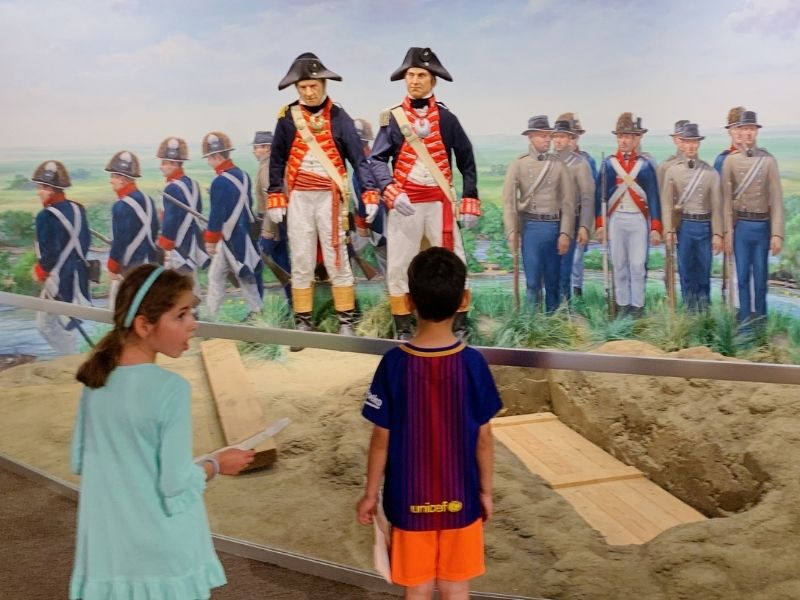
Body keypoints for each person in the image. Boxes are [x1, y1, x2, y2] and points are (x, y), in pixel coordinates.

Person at [70, 264, 255, 599]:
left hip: (107, 549)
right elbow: (174, 484)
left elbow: (83, 461)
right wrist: (216, 464)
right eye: (181, 315)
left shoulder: (94, 382)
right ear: (144, 325)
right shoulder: (170, 389)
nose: (193, 325)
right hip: (160, 550)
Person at [356, 247, 502, 600]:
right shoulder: (473, 365)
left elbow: (380, 437)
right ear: (464, 299)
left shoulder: (393, 365)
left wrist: (370, 493)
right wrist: (484, 491)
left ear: (408, 301)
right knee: (456, 587)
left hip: (409, 500)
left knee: (417, 587)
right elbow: (484, 437)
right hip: (461, 499)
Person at [370, 47, 480, 340]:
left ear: (433, 81)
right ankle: (404, 324)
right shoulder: (392, 118)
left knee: (454, 259)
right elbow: (377, 159)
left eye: (421, 75)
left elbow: (466, 159)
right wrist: (390, 189)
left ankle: (459, 320)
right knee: (399, 262)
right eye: (411, 75)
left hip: (439, 203)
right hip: (405, 203)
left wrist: (470, 197)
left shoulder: (447, 119)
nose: (415, 80)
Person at [267, 52, 380, 335]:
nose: (309, 92)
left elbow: (359, 159)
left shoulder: (340, 118)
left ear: (324, 85)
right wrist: (275, 194)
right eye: (303, 88)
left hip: (331, 198)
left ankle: (346, 320)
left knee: (337, 257)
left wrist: (369, 191)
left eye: (313, 86)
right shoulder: (287, 119)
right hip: (299, 199)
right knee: (302, 258)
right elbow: (277, 160)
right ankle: (303, 320)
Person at [502, 115, 574, 312]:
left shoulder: (558, 164)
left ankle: (552, 326)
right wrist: (512, 232)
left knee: (553, 282)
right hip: (530, 228)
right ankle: (531, 327)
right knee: (533, 283)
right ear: (531, 137)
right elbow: (509, 203)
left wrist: (565, 233)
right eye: (542, 135)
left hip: (553, 227)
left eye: (548, 135)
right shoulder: (519, 164)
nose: (547, 139)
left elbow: (568, 203)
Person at [594, 113, 662, 317]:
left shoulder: (646, 165)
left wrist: (656, 227)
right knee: (620, 264)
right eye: (620, 136)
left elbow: (653, 197)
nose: (623, 140)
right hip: (616, 219)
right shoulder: (608, 164)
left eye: (628, 136)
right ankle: (623, 306)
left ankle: (637, 307)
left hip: (638, 219)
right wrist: (600, 224)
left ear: (636, 139)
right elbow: (601, 196)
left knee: (638, 265)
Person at [721, 111, 784, 323]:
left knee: (760, 279)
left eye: (751, 129)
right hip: (741, 228)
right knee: (742, 279)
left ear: (756, 132)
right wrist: (728, 233)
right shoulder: (730, 162)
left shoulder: (767, 161)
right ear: (739, 130)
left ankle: (761, 323)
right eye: (744, 129)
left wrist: (777, 234)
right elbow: (726, 202)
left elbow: (776, 199)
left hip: (762, 225)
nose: (748, 133)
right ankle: (745, 323)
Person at [30, 160, 92, 353]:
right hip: (78, 277)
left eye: (42, 187)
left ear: (52, 189)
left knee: (45, 324)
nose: (38, 191)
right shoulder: (78, 209)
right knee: (63, 322)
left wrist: (39, 272)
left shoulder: (45, 217)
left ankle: (68, 358)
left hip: (57, 279)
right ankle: (69, 355)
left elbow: (49, 255)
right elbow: (86, 241)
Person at [660, 124, 724, 311]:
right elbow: (666, 203)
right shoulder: (673, 171)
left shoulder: (710, 172)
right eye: (687, 142)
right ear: (682, 143)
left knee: (704, 274)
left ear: (698, 144)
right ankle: (689, 314)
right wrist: (669, 230)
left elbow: (716, 206)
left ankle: (704, 315)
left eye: (694, 142)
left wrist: (718, 234)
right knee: (686, 274)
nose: (690, 146)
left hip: (704, 227)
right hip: (685, 227)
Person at [202, 131, 264, 320]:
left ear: (217, 156)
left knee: (245, 279)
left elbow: (216, 215)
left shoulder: (219, 182)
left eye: (209, 158)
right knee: (216, 277)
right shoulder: (242, 175)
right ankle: (211, 317)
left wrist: (211, 241)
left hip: (232, 238)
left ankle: (258, 314)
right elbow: (248, 203)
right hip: (242, 235)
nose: (208, 162)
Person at [106, 150, 160, 309]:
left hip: (129, 269)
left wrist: (113, 267)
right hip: (150, 265)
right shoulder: (148, 200)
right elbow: (154, 229)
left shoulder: (120, 206)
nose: (111, 181)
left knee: (116, 311)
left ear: (122, 179)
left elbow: (120, 241)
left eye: (114, 176)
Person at [156, 137, 209, 295]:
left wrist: (166, 245)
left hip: (178, 242)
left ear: (174, 164)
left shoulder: (171, 188)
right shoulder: (193, 183)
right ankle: (193, 310)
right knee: (189, 277)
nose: (162, 167)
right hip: (193, 239)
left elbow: (170, 220)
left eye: (164, 163)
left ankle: (190, 311)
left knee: (178, 279)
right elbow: (198, 209)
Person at [551, 118, 594, 303]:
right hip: (549, 220)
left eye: (562, 137)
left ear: (570, 139)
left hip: (571, 220)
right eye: (556, 136)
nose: (558, 141)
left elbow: (587, 197)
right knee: (550, 268)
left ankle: (565, 310)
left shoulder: (580, 164)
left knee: (565, 269)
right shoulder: (547, 160)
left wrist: (584, 226)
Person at [252, 130, 292, 303]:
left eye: (257, 147)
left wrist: (268, 230)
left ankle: (256, 307)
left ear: (266, 148)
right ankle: (294, 303)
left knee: (256, 264)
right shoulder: (271, 164)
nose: (254, 151)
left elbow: (272, 198)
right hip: (279, 223)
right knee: (283, 266)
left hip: (272, 226)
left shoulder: (268, 166)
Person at [562, 113, 597, 297]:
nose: (572, 140)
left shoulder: (586, 161)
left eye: (575, 136)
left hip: (578, 216)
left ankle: (577, 295)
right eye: (570, 135)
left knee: (576, 259)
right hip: (557, 218)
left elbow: (591, 195)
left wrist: (588, 224)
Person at [351, 117, 388, 277]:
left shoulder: (366, 165)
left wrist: (362, 225)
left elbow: (367, 203)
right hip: (375, 225)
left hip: (379, 225)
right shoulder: (370, 162)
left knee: (391, 270)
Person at [656, 120, 689, 185]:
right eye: (680, 137)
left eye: (686, 136)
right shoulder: (664, 166)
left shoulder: (700, 166)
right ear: (674, 140)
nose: (683, 140)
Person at [714, 106, 745, 174]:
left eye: (742, 128)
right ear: (729, 132)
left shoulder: (757, 157)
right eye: (735, 128)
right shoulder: (721, 160)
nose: (739, 132)